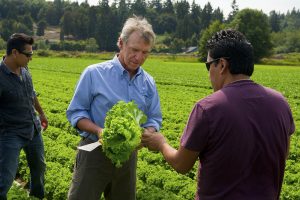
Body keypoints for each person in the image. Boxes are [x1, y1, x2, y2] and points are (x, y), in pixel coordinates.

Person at [142, 29, 295, 200]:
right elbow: (284, 153)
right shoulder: (280, 102)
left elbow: (181, 164)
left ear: (222, 65)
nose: (208, 73)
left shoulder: (207, 108)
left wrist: (161, 143)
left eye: (208, 65)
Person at [66, 16, 162, 200]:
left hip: (128, 156)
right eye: (134, 50)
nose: (139, 57)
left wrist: (147, 132)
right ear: (121, 42)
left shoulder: (148, 82)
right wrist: (99, 131)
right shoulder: (94, 73)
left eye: (145, 52)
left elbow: (154, 117)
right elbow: (76, 112)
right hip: (94, 150)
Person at [0, 33, 48, 200]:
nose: (31, 58)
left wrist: (41, 113)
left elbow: (31, 93)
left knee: (39, 168)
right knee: (5, 177)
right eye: (28, 55)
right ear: (15, 53)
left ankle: (37, 197)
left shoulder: (25, 69)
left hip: (33, 128)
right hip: (11, 133)